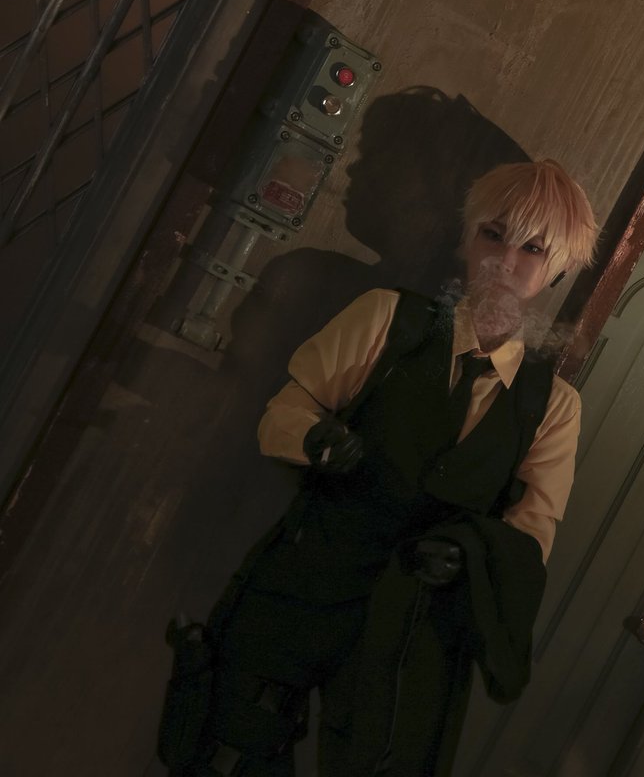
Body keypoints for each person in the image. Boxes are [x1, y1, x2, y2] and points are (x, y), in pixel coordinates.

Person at [158, 160, 598, 776]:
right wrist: (314, 438)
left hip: (415, 627)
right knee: (228, 748)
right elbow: (285, 410)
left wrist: (470, 553)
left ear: (560, 270)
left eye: (533, 248)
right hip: (308, 579)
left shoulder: (552, 405)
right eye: (492, 235)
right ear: (467, 237)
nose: (505, 260)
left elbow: (532, 532)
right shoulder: (388, 319)